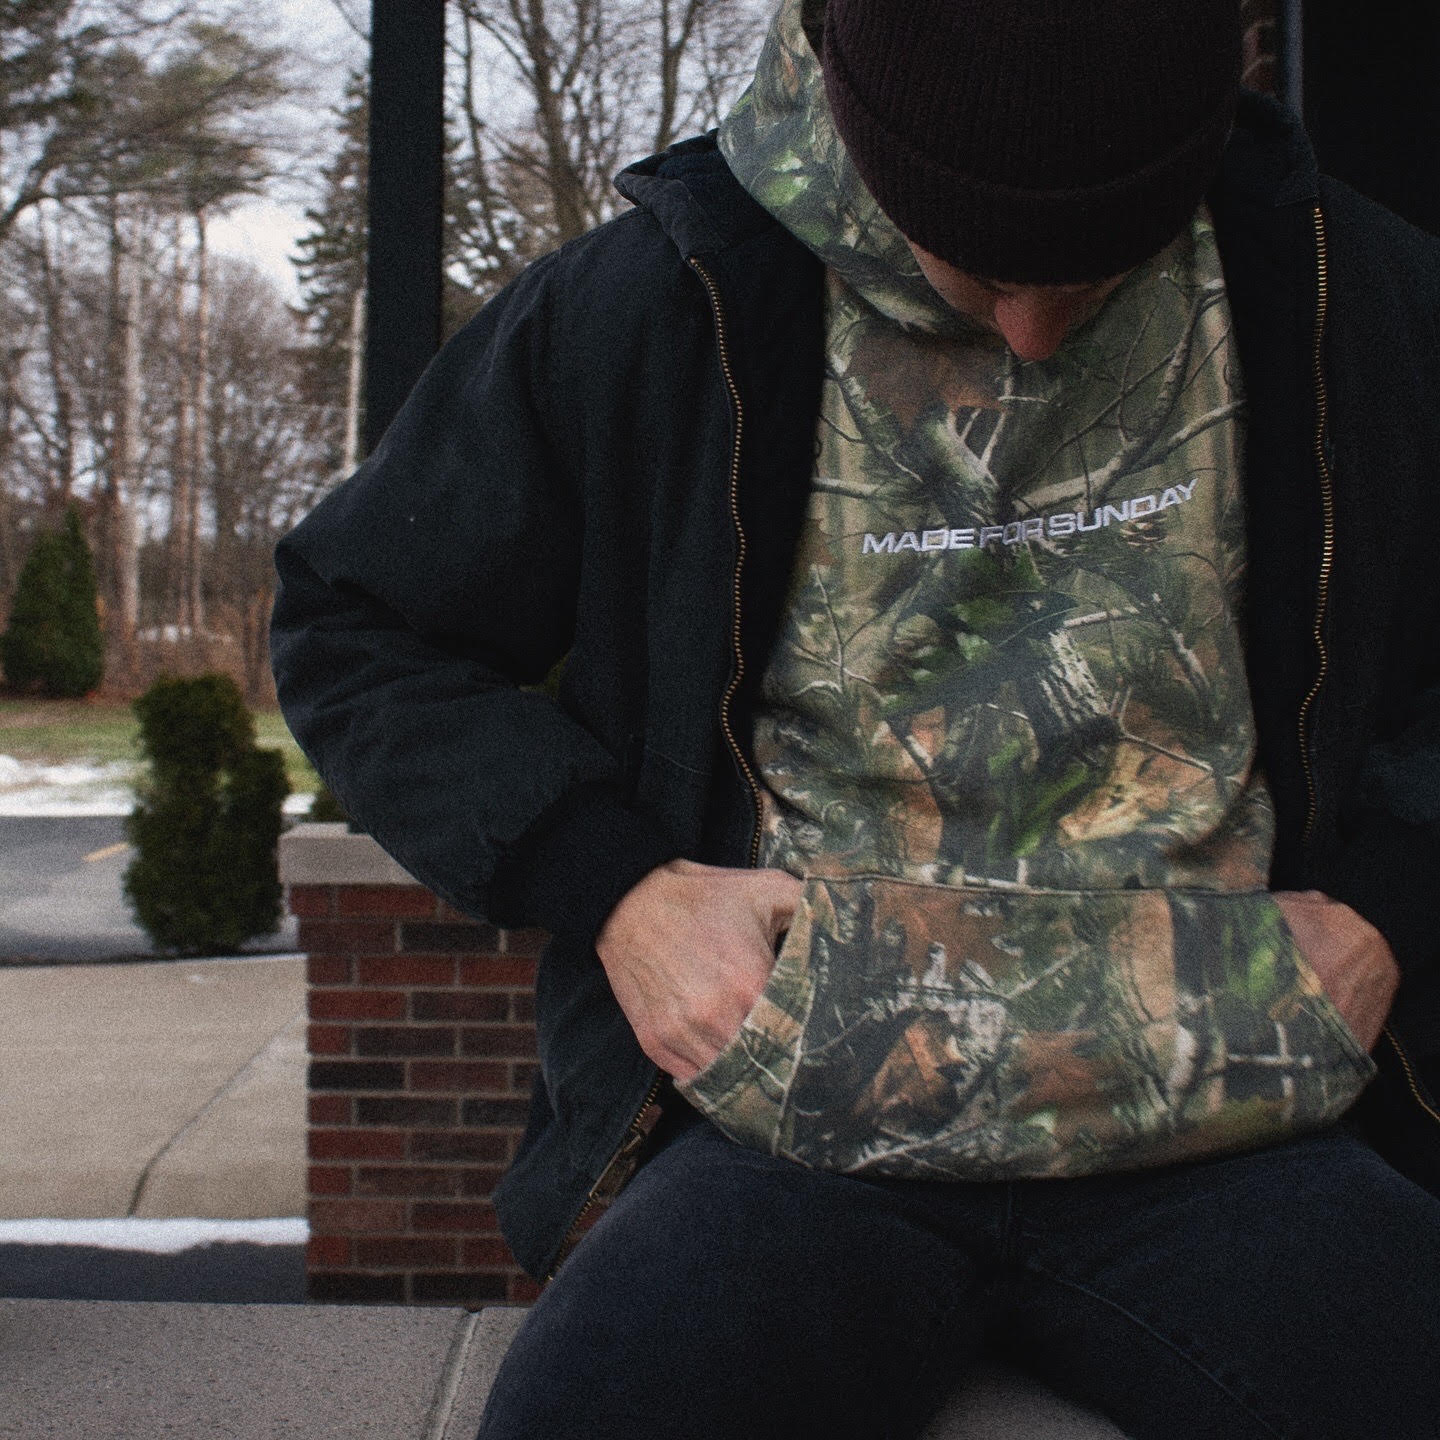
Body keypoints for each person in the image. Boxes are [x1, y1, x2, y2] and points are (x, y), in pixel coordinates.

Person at [270, 1, 1440, 1435]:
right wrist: (621, 890)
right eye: (980, 265)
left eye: (1099, 271)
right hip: (790, 1120)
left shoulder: (1349, 293)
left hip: (1245, 1101)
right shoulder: (659, 300)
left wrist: (1391, 901)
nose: (1030, 332)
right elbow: (356, 622)